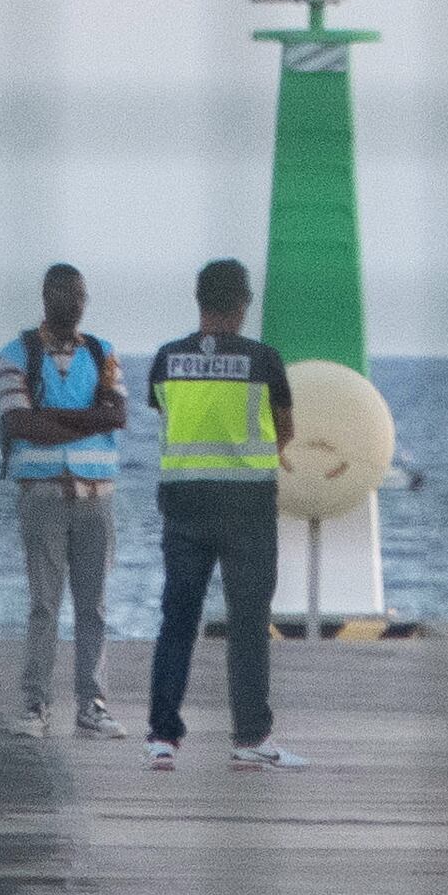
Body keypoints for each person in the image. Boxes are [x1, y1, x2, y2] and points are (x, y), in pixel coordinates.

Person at [140, 259, 308, 774]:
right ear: (243, 304)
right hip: (247, 505)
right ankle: (251, 737)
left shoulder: (167, 360)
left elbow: (164, 414)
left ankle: (163, 737)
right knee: (249, 622)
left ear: (198, 300)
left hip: (184, 500)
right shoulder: (263, 361)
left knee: (178, 619)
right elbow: (286, 430)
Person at [0, 265, 124, 735]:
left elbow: (118, 414)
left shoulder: (103, 352)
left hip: (96, 496)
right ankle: (35, 704)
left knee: (94, 606)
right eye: (69, 294)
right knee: (44, 604)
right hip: (43, 495)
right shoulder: (15, 355)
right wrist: (87, 417)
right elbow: (22, 425)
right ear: (48, 295)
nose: (78, 303)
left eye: (83, 295)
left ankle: (93, 705)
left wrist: (55, 418)